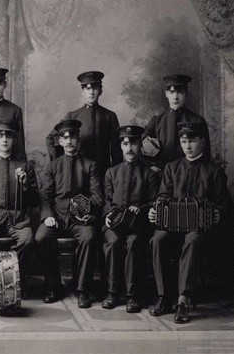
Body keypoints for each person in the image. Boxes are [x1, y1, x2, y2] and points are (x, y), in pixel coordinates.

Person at [148, 122, 231, 323]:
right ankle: (163, 296)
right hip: (173, 226)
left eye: (192, 141)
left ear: (202, 142)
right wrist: (155, 211)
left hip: (200, 228)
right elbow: (162, 197)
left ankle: (183, 299)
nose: (188, 146)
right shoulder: (171, 167)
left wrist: (217, 213)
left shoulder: (213, 170)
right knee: (158, 239)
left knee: (192, 240)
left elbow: (224, 202)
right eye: (184, 141)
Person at [35, 120, 104, 308]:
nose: (69, 141)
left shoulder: (90, 165)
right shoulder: (52, 166)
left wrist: (87, 213)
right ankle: (53, 285)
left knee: (89, 237)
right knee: (41, 236)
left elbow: (97, 198)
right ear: (60, 142)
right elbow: (45, 196)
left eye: (72, 137)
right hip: (56, 217)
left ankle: (83, 289)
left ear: (78, 140)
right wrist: (48, 215)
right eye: (65, 138)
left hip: (80, 220)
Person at [102, 125, 159, 313]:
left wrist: (141, 209)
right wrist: (109, 214)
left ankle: (132, 295)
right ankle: (112, 292)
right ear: (121, 146)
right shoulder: (112, 172)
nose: (129, 148)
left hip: (138, 225)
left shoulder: (149, 173)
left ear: (139, 146)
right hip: (115, 224)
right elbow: (107, 201)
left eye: (133, 143)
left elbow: (154, 202)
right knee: (113, 241)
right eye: (125, 144)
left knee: (134, 242)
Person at [0, 119, 39, 256]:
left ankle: (10, 269)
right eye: (1, 136)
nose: (4, 140)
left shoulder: (26, 167)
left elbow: (35, 201)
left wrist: (25, 185)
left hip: (19, 221)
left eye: (8, 136)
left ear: (14, 140)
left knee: (27, 240)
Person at [46, 71, 121, 176]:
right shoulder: (73, 116)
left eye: (94, 88)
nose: (91, 92)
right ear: (82, 92)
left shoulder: (109, 116)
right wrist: (60, 164)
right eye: (87, 88)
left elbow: (116, 150)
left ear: (100, 91)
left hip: (103, 172)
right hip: (78, 173)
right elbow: (51, 139)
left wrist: (115, 174)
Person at [143, 74, 211, 169]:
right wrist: (151, 166)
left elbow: (206, 153)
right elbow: (141, 145)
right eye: (172, 92)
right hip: (162, 175)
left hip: (189, 174)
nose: (175, 97)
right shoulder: (156, 121)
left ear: (186, 93)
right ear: (166, 94)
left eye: (180, 92)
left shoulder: (197, 120)